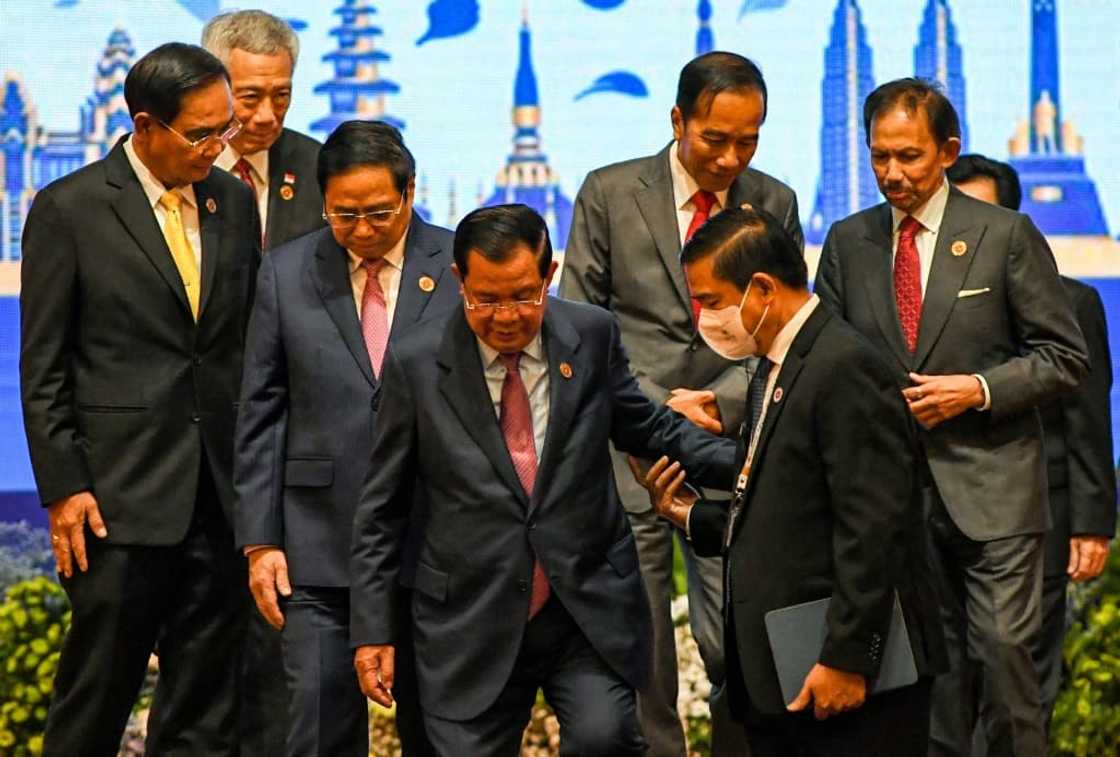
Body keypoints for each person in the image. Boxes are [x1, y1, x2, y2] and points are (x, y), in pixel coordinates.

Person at [350, 204, 737, 756]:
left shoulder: (590, 333)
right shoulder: (417, 361)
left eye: (523, 295)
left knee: (606, 740)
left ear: (549, 275)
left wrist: (748, 463)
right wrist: (372, 629)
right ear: (460, 281)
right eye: (487, 298)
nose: (506, 315)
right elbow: (381, 508)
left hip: (580, 605)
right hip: (468, 614)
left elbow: (646, 427)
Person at [814, 79, 1089, 757]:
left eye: (907, 156)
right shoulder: (849, 243)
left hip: (994, 491)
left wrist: (976, 389)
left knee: (1003, 667)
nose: (891, 173)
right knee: (928, 685)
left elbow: (1063, 356)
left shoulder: (1004, 235)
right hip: (894, 499)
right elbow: (819, 358)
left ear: (947, 151)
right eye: (879, 156)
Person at [632, 204, 946, 756]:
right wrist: (684, 514)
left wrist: (848, 658)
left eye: (710, 301)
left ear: (761, 289)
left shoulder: (843, 367)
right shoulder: (777, 366)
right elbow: (779, 505)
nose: (704, 317)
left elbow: (871, 529)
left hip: (842, 680)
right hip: (782, 673)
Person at [559, 50, 802, 755]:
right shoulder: (609, 192)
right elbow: (579, 319)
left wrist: (721, 403)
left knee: (737, 633)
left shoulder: (774, 200)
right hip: (631, 448)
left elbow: (784, 326)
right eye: (715, 139)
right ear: (677, 120)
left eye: (748, 139)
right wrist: (648, 408)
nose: (731, 157)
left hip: (731, 448)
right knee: (642, 649)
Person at [19, 43, 259, 756]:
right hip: (116, 500)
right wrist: (65, 487)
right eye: (202, 134)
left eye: (226, 130)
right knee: (97, 695)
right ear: (146, 126)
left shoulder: (233, 202)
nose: (218, 148)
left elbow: (236, 344)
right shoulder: (71, 208)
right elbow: (44, 363)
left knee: (205, 706)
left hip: (218, 494)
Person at [235, 120, 453, 756]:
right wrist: (260, 540)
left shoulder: (459, 265)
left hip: (433, 545)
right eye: (343, 214)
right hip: (317, 545)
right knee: (317, 730)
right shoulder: (285, 272)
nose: (361, 230)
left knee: (442, 736)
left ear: (411, 193)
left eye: (379, 213)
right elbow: (261, 411)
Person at [946, 154, 1117, 739]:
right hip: (946, 514)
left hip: (1043, 512)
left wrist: (1092, 523)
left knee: (1022, 677)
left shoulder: (1072, 303)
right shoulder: (926, 311)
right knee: (949, 687)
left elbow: (1090, 419)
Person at [203, 9, 324, 251]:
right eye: (250, 97)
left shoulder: (319, 166)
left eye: (281, 96)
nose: (267, 116)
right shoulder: (185, 162)